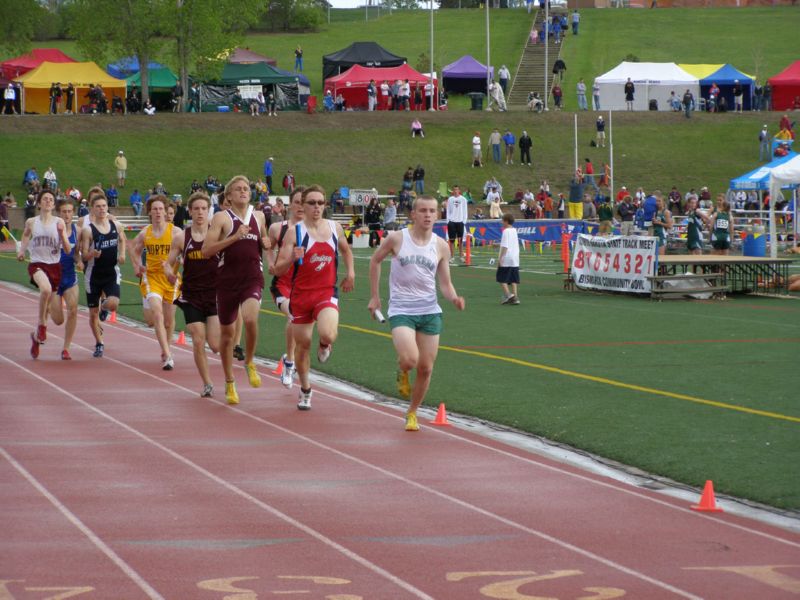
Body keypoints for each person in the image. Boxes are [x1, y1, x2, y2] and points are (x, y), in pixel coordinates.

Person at [367, 195, 465, 432]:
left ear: (437, 215)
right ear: (413, 214)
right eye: (423, 210)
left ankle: (412, 412)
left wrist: (454, 297)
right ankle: (402, 370)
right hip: (402, 310)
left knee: (426, 368)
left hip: (430, 311)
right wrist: (375, 296)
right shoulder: (397, 238)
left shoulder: (441, 245)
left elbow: (445, 283)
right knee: (410, 359)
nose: (428, 215)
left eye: (432, 210)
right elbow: (375, 260)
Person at [271, 185, 355, 411]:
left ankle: (325, 344)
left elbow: (346, 250)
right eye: (312, 203)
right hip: (301, 297)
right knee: (303, 345)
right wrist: (291, 259)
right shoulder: (294, 232)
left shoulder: (335, 227)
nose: (317, 207)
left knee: (328, 332)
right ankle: (306, 389)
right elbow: (278, 270)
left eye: (320, 203)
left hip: (326, 292)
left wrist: (351, 273)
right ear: (303, 206)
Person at [203, 175, 271, 405]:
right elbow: (207, 250)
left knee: (250, 319)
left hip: (252, 277)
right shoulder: (222, 218)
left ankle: (250, 361)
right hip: (226, 282)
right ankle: (229, 381)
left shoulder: (259, 216)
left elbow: (263, 240)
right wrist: (234, 237)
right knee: (227, 336)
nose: (243, 191)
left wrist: (267, 243)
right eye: (238, 189)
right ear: (229, 196)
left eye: (246, 189)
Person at [164, 192, 220, 398]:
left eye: (204, 209)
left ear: (209, 211)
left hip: (214, 293)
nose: (200, 212)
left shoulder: (217, 234)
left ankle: (233, 347)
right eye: (196, 208)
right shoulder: (181, 238)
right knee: (198, 339)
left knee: (215, 345)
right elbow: (168, 264)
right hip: (191, 295)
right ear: (189, 211)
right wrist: (169, 273)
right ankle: (207, 383)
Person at [17, 190, 73, 358]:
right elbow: (26, 236)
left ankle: (35, 337)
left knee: (58, 318)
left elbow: (68, 250)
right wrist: (21, 251)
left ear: (54, 205)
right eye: (45, 199)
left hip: (55, 267)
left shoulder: (59, 222)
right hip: (37, 264)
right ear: (39, 203)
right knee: (46, 290)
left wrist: (63, 234)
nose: (48, 201)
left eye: (51, 199)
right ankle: (42, 325)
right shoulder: (32, 222)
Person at [131, 196, 182, 370]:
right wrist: (137, 266)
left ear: (165, 211)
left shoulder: (175, 232)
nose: (158, 212)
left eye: (161, 209)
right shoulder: (146, 232)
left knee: (169, 321)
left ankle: (167, 347)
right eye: (155, 209)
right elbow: (134, 248)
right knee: (157, 314)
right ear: (150, 212)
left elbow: (187, 252)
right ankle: (168, 354)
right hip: (152, 277)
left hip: (170, 279)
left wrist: (177, 264)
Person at [80, 191, 125, 358]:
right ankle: (99, 343)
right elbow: (84, 254)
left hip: (111, 273)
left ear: (107, 207)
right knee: (92, 314)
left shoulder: (116, 225)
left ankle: (104, 308)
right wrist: (92, 254)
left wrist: (122, 254)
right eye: (98, 206)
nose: (101, 209)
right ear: (92, 209)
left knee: (113, 304)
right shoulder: (88, 230)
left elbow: (122, 239)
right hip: (93, 275)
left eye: (104, 206)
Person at [51, 199, 81, 360]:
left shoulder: (78, 231)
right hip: (54, 280)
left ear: (73, 213)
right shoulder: (51, 230)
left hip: (70, 278)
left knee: (73, 310)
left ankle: (66, 348)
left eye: (70, 211)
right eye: (64, 211)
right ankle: (49, 306)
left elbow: (76, 253)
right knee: (58, 320)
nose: (67, 214)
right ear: (58, 213)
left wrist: (80, 261)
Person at [496, 213, 520, 305]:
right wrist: (498, 245)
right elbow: (510, 243)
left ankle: (509, 295)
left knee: (501, 277)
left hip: (507, 257)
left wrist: (501, 258)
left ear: (506, 221)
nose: (502, 222)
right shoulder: (514, 230)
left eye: (502, 220)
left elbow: (505, 246)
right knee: (513, 278)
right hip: (514, 258)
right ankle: (515, 297)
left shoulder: (505, 231)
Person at [446, 185, 468, 263]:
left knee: (460, 240)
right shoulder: (450, 199)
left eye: (457, 189)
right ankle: (452, 257)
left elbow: (465, 210)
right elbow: (448, 210)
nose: (455, 191)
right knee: (451, 241)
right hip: (451, 222)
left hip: (460, 222)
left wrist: (464, 221)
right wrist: (448, 221)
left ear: (459, 190)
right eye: (454, 189)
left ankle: (461, 256)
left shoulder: (463, 199)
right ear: (453, 191)